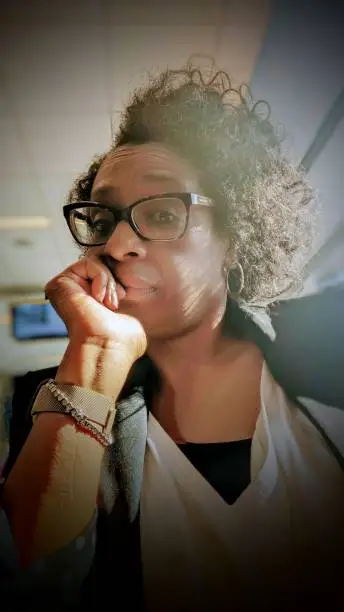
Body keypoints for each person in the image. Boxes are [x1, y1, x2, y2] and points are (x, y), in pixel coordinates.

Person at [0, 64, 343, 611]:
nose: (118, 243)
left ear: (235, 236)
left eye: (160, 213)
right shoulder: (56, 404)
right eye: (103, 218)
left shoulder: (331, 356)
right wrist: (97, 353)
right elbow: (30, 581)